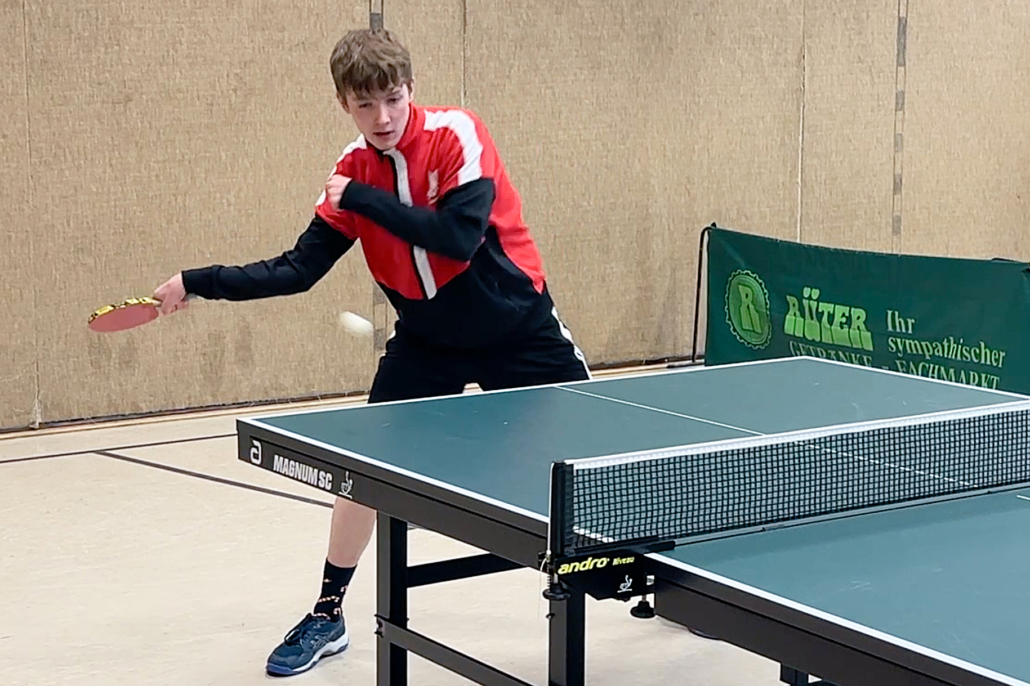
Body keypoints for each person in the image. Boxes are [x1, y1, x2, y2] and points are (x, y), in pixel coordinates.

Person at [151, 27, 591, 677]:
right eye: (365, 104)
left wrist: (361, 200)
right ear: (344, 104)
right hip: (427, 343)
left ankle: (671, 573)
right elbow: (298, 270)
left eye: (392, 98)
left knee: (597, 451)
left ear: (410, 89)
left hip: (518, 331)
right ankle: (327, 612)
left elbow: (456, 237)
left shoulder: (457, 135)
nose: (382, 117)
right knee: (362, 471)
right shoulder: (352, 170)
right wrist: (197, 281)